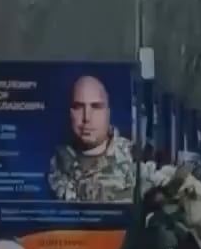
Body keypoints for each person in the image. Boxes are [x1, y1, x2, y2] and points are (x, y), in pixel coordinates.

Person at [48, 74, 137, 202]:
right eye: (78, 107)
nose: (86, 117)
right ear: (70, 112)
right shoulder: (57, 163)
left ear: (108, 113)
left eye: (96, 107)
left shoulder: (135, 158)